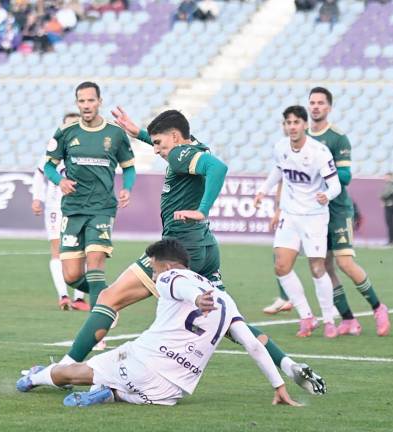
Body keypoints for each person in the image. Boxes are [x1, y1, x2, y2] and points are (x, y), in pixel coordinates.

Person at [49, 108, 323, 394]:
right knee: (230, 320)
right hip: (205, 248)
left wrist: (202, 210)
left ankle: (64, 368)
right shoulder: (192, 146)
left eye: (159, 143)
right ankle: (289, 365)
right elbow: (194, 154)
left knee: (108, 297)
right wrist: (139, 133)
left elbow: (217, 168)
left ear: (176, 138)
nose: (156, 150)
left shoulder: (179, 154)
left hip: (179, 248)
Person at [18, 239, 325, 407]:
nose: (152, 275)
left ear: (163, 264)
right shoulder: (225, 299)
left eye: (152, 268)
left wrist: (196, 300)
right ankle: (108, 393)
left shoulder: (170, 277)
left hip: (141, 364)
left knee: (71, 373)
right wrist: (279, 384)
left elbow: (183, 288)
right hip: (170, 394)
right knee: (123, 387)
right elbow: (253, 346)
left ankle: (34, 378)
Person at [43, 82, 136, 314]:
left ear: (99, 102)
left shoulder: (115, 133)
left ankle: (99, 329)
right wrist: (60, 181)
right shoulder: (65, 132)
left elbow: (129, 167)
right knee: (72, 276)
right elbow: (48, 166)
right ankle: (107, 298)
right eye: (82, 101)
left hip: (102, 208)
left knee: (95, 265)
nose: (86, 105)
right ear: (77, 103)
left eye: (90, 100)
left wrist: (127, 188)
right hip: (73, 209)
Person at [306, 87, 391, 337]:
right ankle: (348, 319)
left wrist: (320, 172)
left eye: (321, 103)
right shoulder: (302, 138)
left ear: (329, 107)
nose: (316, 107)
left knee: (344, 262)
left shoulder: (337, 138)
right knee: (323, 266)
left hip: (338, 209)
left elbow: (345, 176)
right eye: (312, 102)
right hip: (313, 212)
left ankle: (378, 307)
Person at [253, 105, 341, 338]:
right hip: (290, 215)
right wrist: (263, 190)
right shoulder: (280, 148)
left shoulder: (319, 152)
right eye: (287, 123)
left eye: (296, 122)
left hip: (314, 216)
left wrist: (327, 195)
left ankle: (329, 319)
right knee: (281, 266)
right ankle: (306, 317)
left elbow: (335, 185)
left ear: (304, 125)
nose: (291, 127)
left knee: (317, 267)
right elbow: (279, 171)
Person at [32, 112, 89, 311]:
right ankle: (63, 295)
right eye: (68, 125)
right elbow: (40, 173)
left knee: (84, 251)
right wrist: (37, 197)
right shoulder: (54, 150)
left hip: (82, 207)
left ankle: (79, 298)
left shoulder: (90, 150)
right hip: (56, 206)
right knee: (57, 250)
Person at [380, 172, 393, 246]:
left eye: (387, 177)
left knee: (390, 223)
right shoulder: (392, 184)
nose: (385, 178)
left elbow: (385, 194)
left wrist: (381, 196)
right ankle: (391, 240)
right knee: (389, 223)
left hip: (390, 205)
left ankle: (391, 241)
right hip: (389, 205)